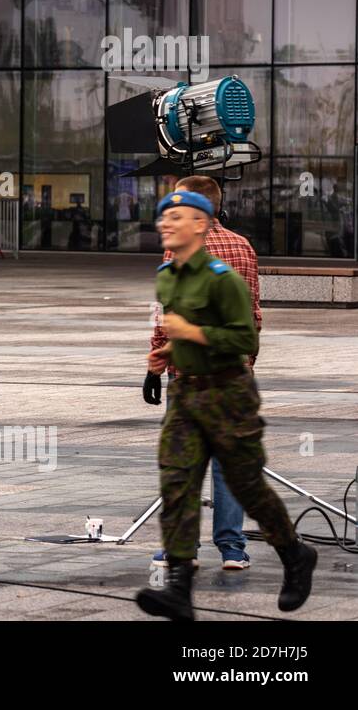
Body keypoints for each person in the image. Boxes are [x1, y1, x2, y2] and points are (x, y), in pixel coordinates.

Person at [136, 189, 316, 620]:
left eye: (177, 217)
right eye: (164, 217)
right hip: (185, 393)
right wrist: (167, 355)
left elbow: (245, 339)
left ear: (200, 224)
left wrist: (194, 335)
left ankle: (294, 555)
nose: (167, 223)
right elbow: (176, 329)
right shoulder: (166, 276)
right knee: (176, 484)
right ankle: (179, 586)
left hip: (228, 395)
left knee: (246, 486)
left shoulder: (223, 279)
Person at [147, 175, 260, 571]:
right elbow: (254, 316)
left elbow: (166, 315)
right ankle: (233, 548)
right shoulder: (244, 248)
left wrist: (155, 363)